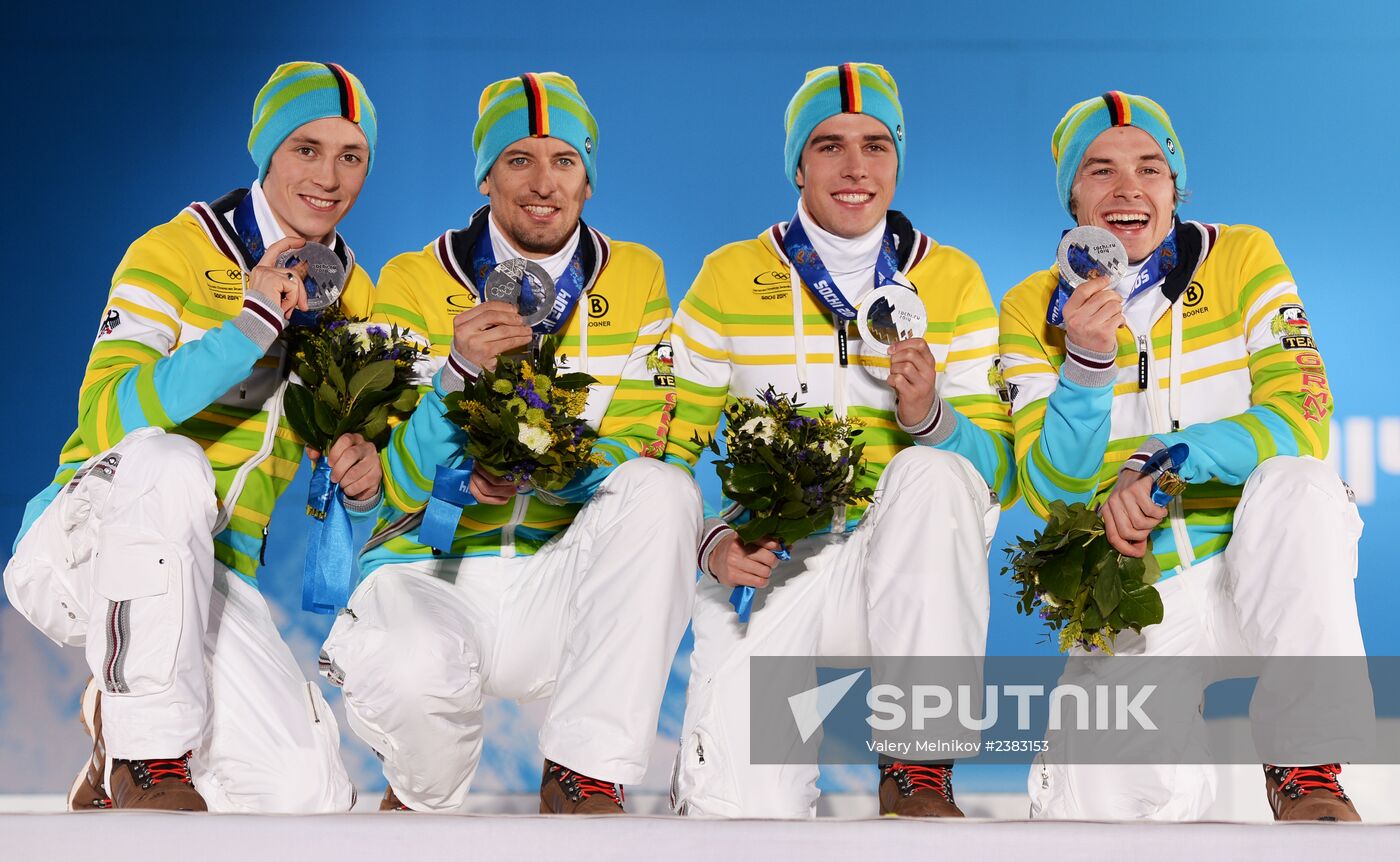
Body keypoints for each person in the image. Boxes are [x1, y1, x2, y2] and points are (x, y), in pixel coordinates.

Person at [3, 61, 382, 812]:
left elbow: (329, 455)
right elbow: (108, 418)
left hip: (209, 577)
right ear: (267, 151)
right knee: (171, 460)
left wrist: (359, 470)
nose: (329, 177)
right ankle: (144, 758)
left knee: (307, 792)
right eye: (306, 148)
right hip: (87, 540)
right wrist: (247, 328)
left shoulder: (352, 293)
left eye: (352, 155)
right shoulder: (173, 252)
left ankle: (118, 728)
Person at [319, 72, 701, 814]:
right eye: (519, 159)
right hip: (432, 567)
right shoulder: (415, 280)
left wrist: (545, 475)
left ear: (588, 180)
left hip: (567, 574)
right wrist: (458, 382)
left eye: (564, 161)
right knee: (412, 699)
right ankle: (419, 787)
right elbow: (389, 481)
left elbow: (649, 444)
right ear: (487, 176)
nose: (543, 183)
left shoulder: (638, 276)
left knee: (663, 492)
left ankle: (584, 773)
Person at [998, 91, 1371, 821]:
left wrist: (1168, 459)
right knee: (1108, 825)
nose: (1128, 187)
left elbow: (1303, 418)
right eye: (1100, 170)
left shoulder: (1243, 256)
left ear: (1176, 187)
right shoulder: (1028, 307)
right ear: (1073, 195)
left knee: (1301, 485)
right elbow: (1049, 493)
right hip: (1137, 583)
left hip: (1256, 563)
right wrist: (1084, 366)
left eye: (1151, 168)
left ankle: (1307, 766)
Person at [665, 63, 1014, 818]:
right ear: (798, 162)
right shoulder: (729, 275)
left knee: (932, 475)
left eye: (876, 145)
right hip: (774, 565)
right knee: (738, 816)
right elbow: (666, 455)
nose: (856, 168)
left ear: (898, 161)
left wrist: (930, 416)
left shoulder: (951, 280)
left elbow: (996, 474)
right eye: (830, 146)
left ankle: (919, 762)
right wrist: (711, 543)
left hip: (895, 571)